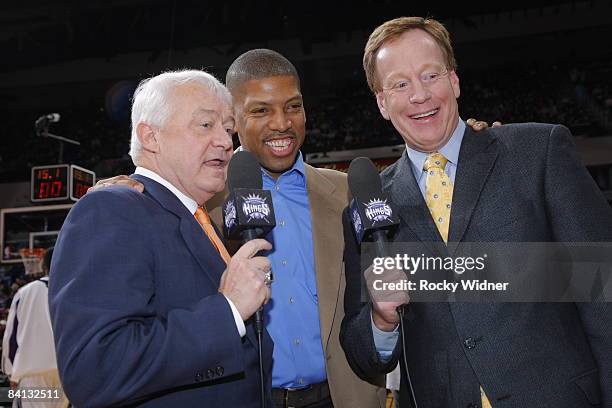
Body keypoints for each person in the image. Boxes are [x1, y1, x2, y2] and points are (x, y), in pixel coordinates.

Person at [340, 16, 612, 408]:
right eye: (400, 84)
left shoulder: (538, 152)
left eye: (430, 75)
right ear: (383, 102)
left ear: (454, 80)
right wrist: (381, 321)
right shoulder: (366, 209)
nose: (419, 95)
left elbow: (602, 292)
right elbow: (362, 354)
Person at [49, 70, 274, 407]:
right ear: (151, 137)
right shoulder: (111, 208)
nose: (226, 142)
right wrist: (227, 310)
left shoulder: (200, 218)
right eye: (205, 125)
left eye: (229, 130)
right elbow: (95, 369)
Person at [2, 247, 70, 408]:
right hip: (66, 375)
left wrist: (12, 372)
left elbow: (11, 338)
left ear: (43, 266)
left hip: (33, 373)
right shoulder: (73, 293)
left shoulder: (24, 292)